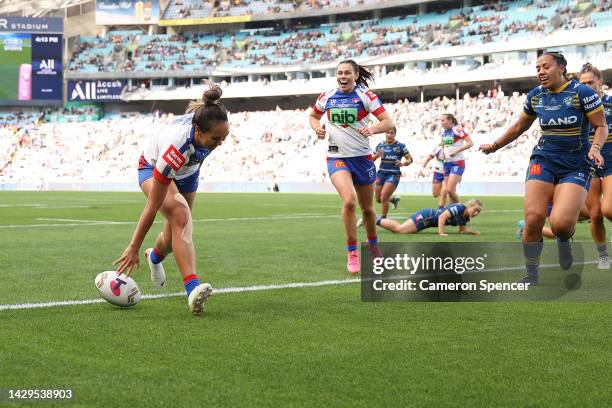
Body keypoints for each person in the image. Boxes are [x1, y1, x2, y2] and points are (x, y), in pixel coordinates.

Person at [480, 52, 608, 284]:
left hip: (576, 164)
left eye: (545, 66)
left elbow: (601, 126)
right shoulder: (536, 96)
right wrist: (495, 145)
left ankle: (563, 239)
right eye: (537, 67)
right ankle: (531, 274)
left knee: (560, 224)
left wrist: (596, 147)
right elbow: (520, 125)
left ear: (561, 68)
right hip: (544, 160)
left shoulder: (582, 93)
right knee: (533, 218)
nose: (540, 71)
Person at [113, 81, 230, 315]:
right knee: (181, 215)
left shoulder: (208, 123)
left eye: (224, 137)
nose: (221, 143)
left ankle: (154, 256)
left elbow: (204, 145)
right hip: (154, 167)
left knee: (171, 237)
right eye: (216, 139)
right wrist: (133, 245)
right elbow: (152, 204)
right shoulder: (176, 147)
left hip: (188, 172)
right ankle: (193, 289)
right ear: (198, 132)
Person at [309, 59, 394, 274]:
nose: (342, 76)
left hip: (363, 159)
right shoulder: (327, 96)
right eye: (339, 73)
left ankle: (373, 247)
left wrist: (372, 130)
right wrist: (317, 128)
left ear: (356, 75)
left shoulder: (366, 96)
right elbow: (313, 116)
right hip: (337, 157)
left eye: (347, 72)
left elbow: (388, 122)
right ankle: (352, 252)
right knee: (349, 201)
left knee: (367, 210)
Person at [580, 63, 612, 269]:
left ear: (600, 82)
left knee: (609, 209)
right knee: (595, 214)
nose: (588, 86)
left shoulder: (610, 104)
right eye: (583, 83)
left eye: (591, 82)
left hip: (611, 162)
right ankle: (603, 257)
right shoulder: (576, 107)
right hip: (588, 165)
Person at [363, 126, 411, 222]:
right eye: (387, 133)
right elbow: (371, 159)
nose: (389, 135)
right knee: (378, 199)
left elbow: (410, 159)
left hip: (393, 174)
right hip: (381, 173)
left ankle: (383, 219)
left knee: (384, 196)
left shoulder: (400, 146)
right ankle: (393, 200)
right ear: (385, 133)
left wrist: (402, 164)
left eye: (391, 133)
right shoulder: (380, 145)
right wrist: (376, 156)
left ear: (395, 134)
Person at [376, 199, 482, 236]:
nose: (476, 213)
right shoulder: (459, 208)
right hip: (427, 216)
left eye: (478, 212)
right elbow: (442, 216)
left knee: (401, 229)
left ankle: (375, 219)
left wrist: (471, 232)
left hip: (428, 222)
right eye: (475, 209)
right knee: (399, 230)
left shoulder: (466, 217)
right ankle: (374, 219)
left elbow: (462, 230)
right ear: (469, 205)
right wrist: (441, 232)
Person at [439, 114, 473, 207]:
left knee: (449, 189)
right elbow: (443, 144)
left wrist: (457, 151)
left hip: (457, 162)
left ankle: (461, 209)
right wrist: (442, 153)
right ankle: (452, 212)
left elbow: (470, 143)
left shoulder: (458, 129)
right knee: (450, 191)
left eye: (443, 121)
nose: (441, 123)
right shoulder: (444, 132)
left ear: (450, 120)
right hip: (446, 163)